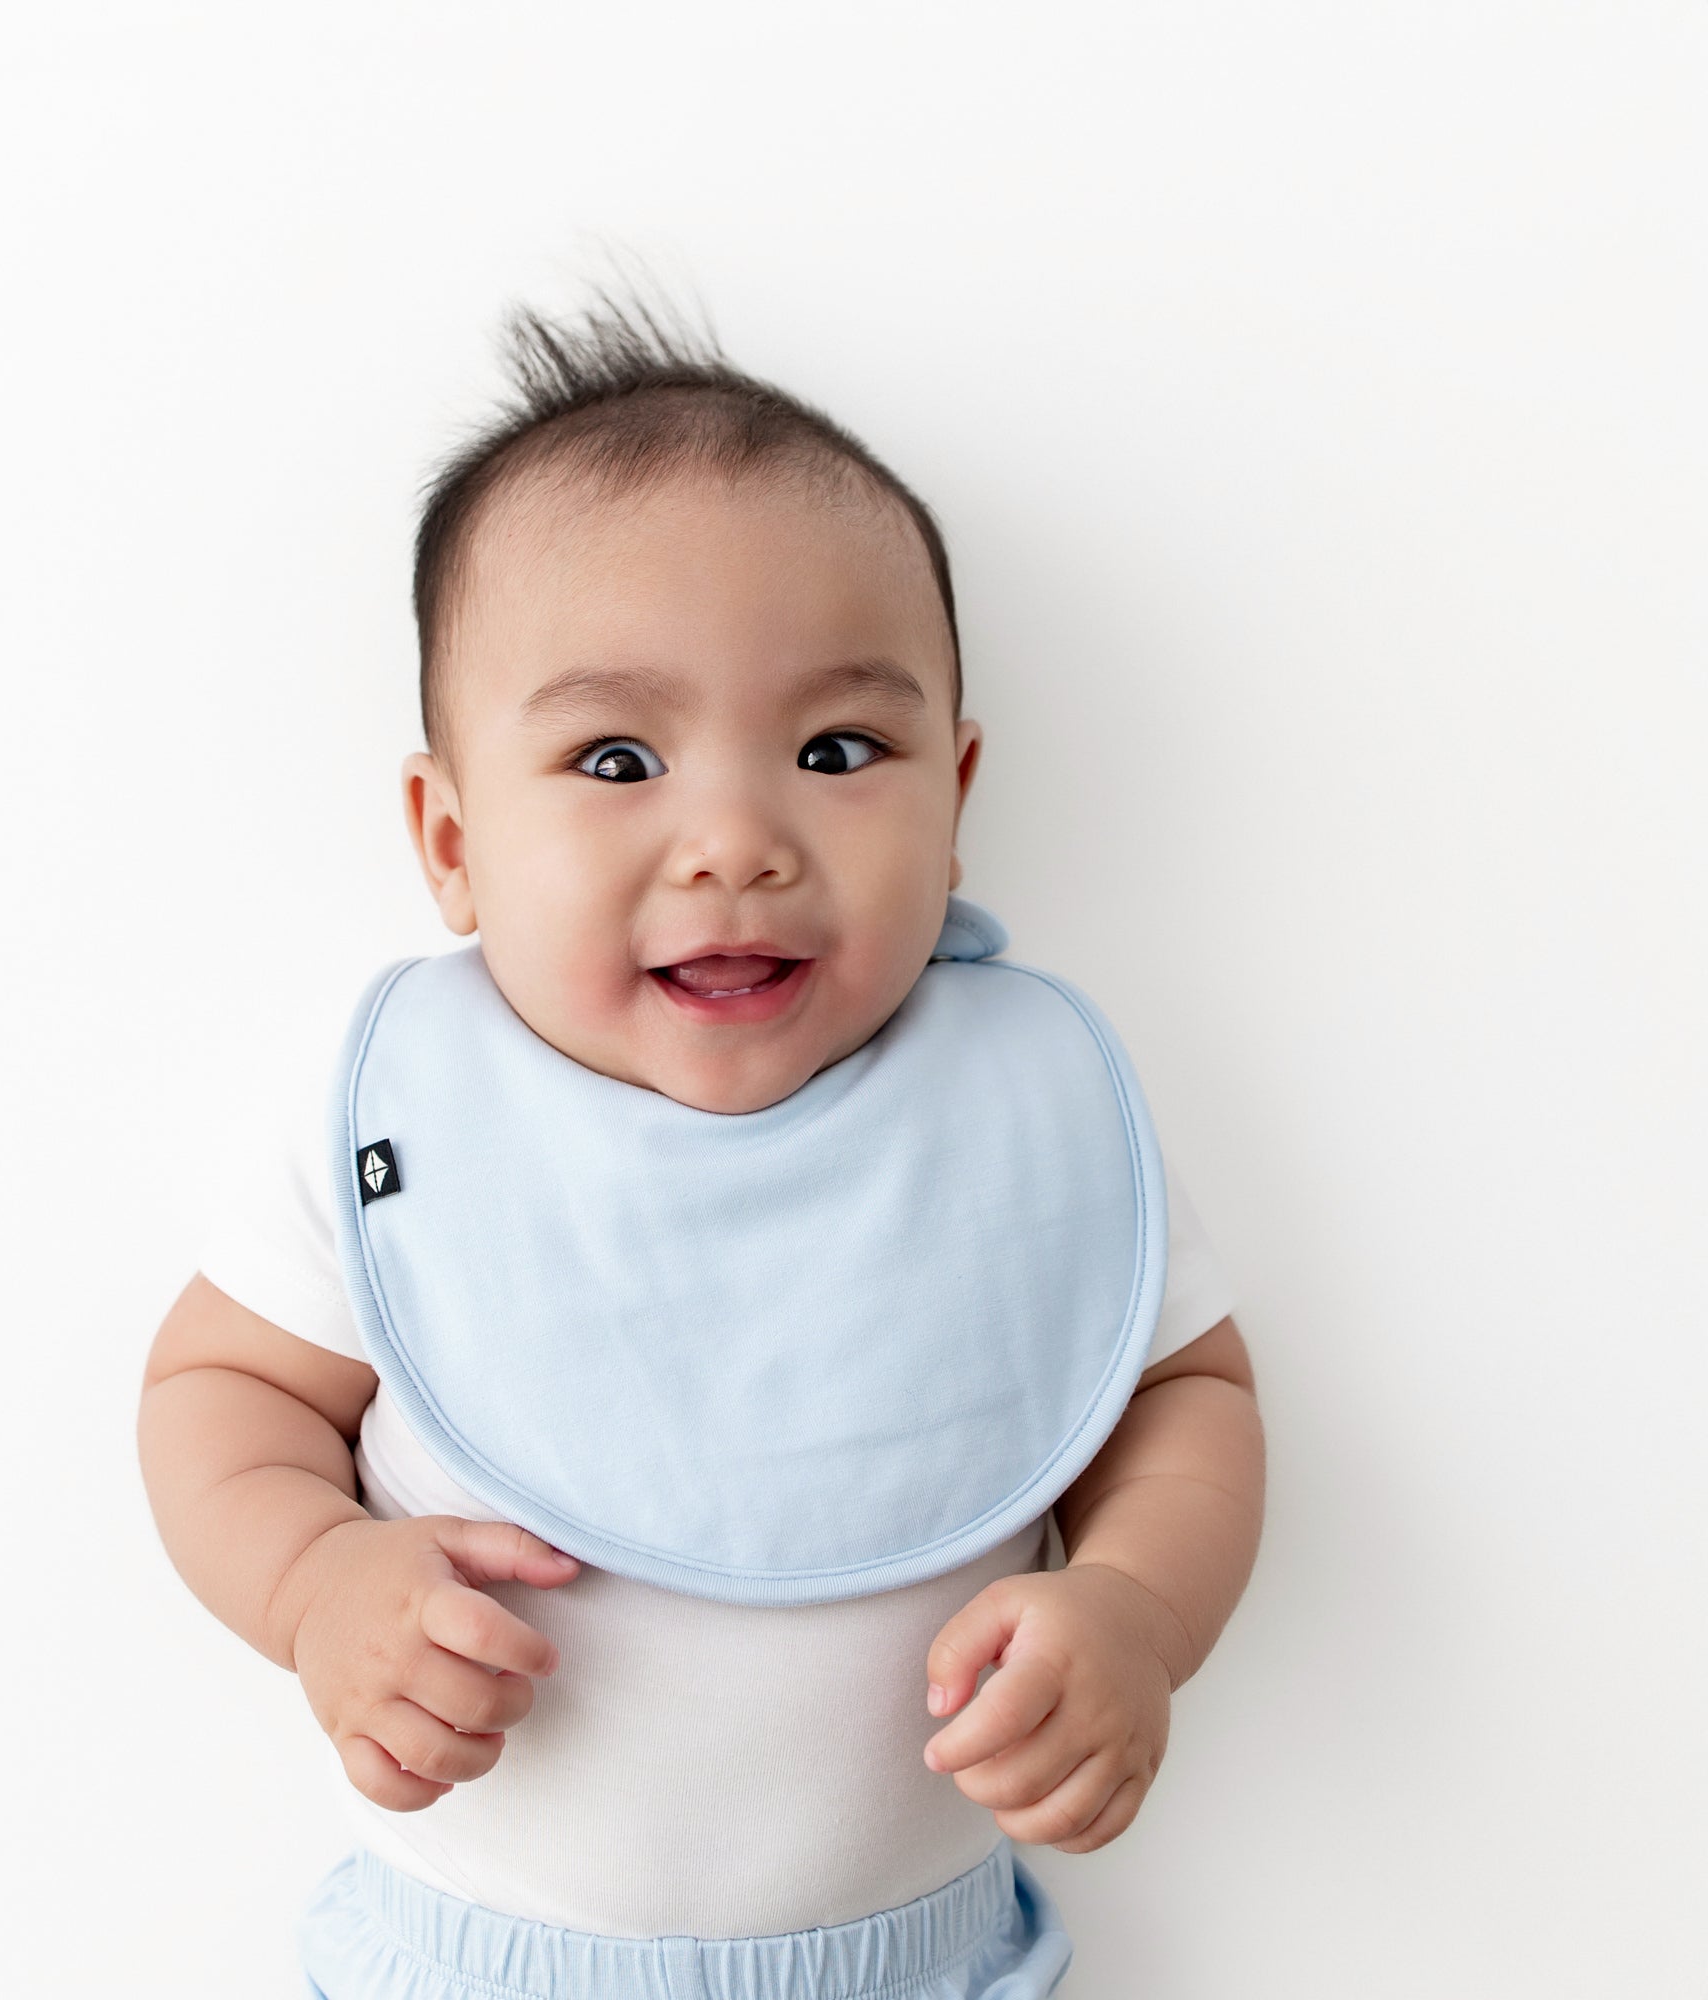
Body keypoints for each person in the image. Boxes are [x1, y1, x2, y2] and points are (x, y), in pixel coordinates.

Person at [137, 279, 1266, 1998]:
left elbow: (1188, 1401)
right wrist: (314, 1581)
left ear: (956, 799)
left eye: (835, 747)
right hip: (470, 1969)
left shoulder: (1021, 1119)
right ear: (449, 839)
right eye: (613, 758)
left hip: (928, 1966)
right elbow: (216, 1395)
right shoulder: (395, 1126)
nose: (734, 839)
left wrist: (1140, 1615)